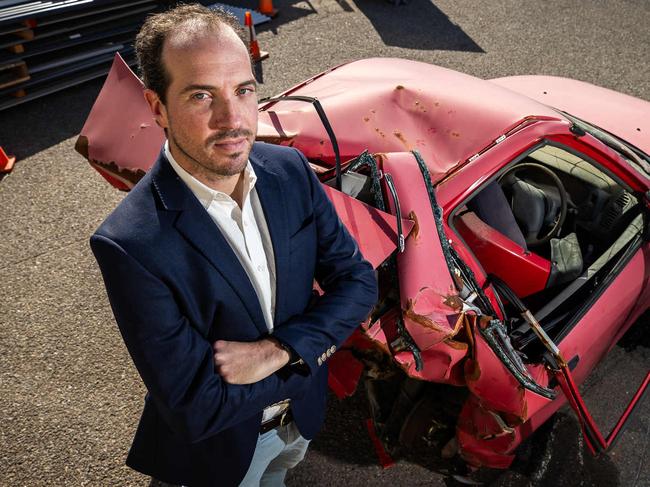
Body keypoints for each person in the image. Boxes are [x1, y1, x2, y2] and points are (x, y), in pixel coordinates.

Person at [89, 4, 377, 487]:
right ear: (156, 106)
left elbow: (358, 283)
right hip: (217, 456)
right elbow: (197, 406)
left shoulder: (290, 171)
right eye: (201, 96)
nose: (232, 119)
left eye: (243, 90)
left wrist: (279, 351)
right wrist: (313, 350)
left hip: (299, 425)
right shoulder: (130, 243)